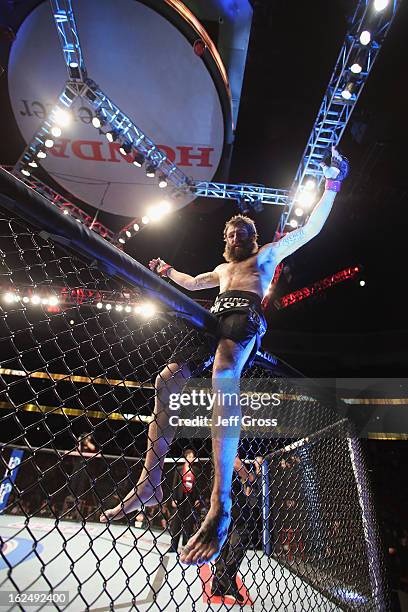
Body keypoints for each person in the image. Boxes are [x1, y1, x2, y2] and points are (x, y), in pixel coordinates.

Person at [100, 146, 349, 566]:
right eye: (231, 234)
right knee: (166, 380)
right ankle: (150, 481)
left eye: (243, 233)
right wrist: (167, 272)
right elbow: (194, 281)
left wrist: (333, 185)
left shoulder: (266, 255)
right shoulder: (220, 269)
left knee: (222, 380)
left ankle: (221, 501)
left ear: (253, 237)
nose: (236, 237)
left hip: (243, 319)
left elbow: (311, 230)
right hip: (210, 321)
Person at [211, 456, 255, 603]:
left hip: (220, 492)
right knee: (244, 528)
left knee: (224, 535)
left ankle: (218, 584)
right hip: (232, 494)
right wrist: (247, 476)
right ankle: (228, 574)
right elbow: (236, 463)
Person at [166, 448, 201, 553]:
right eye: (189, 456)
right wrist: (173, 498)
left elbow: (199, 486)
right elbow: (174, 484)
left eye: (192, 456)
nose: (191, 458)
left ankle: (186, 546)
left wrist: (197, 498)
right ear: (185, 458)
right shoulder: (179, 469)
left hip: (191, 498)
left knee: (188, 523)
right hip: (180, 498)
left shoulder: (197, 470)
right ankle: (174, 546)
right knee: (176, 523)